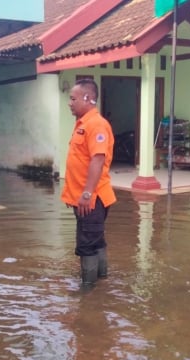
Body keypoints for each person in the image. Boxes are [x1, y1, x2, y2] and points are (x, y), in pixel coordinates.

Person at [61, 78, 116, 286]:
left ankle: (88, 295)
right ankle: (101, 282)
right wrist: (73, 195)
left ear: (88, 98)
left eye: (73, 98)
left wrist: (86, 194)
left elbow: (98, 159)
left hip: (92, 198)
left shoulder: (97, 124)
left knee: (87, 245)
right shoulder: (83, 124)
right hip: (84, 197)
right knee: (96, 240)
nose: (70, 102)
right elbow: (80, 162)